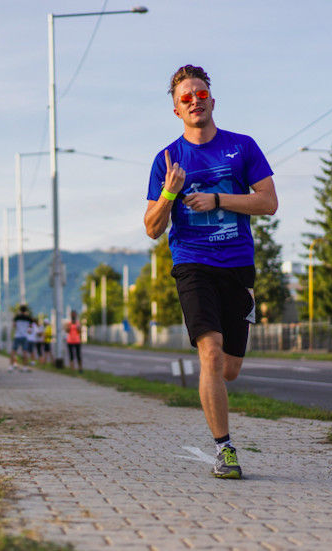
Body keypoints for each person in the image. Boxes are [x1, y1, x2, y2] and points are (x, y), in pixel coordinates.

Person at [143, 64, 278, 480]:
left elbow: (268, 202)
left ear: (212, 101)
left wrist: (217, 199)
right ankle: (225, 449)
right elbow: (152, 228)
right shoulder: (167, 158)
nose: (194, 101)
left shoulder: (243, 147)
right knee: (211, 352)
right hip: (192, 263)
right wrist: (169, 191)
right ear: (176, 110)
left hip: (237, 265)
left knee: (229, 367)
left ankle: (211, 386)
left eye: (200, 94)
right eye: (186, 98)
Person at [10, 304, 32, 371]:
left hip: (17, 335)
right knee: (25, 352)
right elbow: (30, 327)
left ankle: (11, 366)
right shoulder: (28, 318)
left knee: (14, 351)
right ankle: (25, 366)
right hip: (25, 336)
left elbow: (14, 325)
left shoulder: (17, 317)